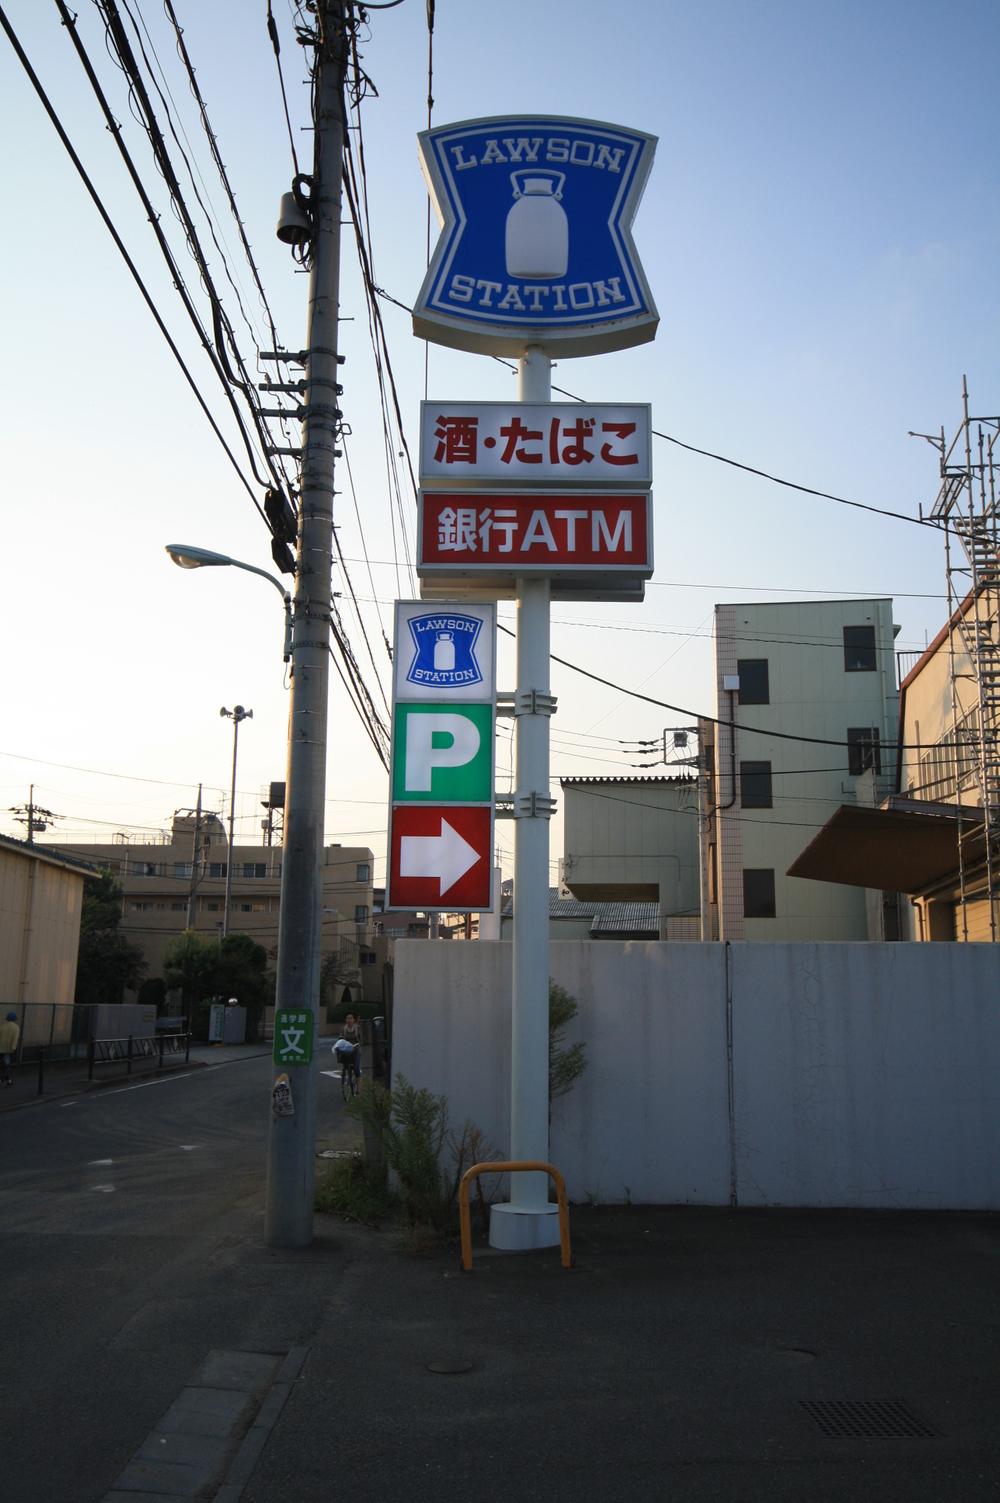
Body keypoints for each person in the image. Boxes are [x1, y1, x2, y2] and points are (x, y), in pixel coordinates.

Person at [337, 1012, 362, 1082]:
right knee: (345, 1064)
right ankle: (346, 1074)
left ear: (354, 1020)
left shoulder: (358, 1028)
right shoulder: (343, 1029)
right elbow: (340, 1038)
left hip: (356, 1050)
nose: (349, 1020)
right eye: (347, 1018)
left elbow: (361, 1039)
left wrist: (359, 1044)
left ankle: (358, 1088)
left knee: (356, 1068)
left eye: (351, 1018)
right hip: (347, 1050)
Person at [0, 1010, 20, 1088]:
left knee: (3, 1064)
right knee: (7, 1065)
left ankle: (6, 1080)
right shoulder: (16, 1027)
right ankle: (7, 1080)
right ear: (14, 1019)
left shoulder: (3, 1026)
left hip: (1, 1048)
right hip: (9, 1049)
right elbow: (15, 1038)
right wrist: (13, 1048)